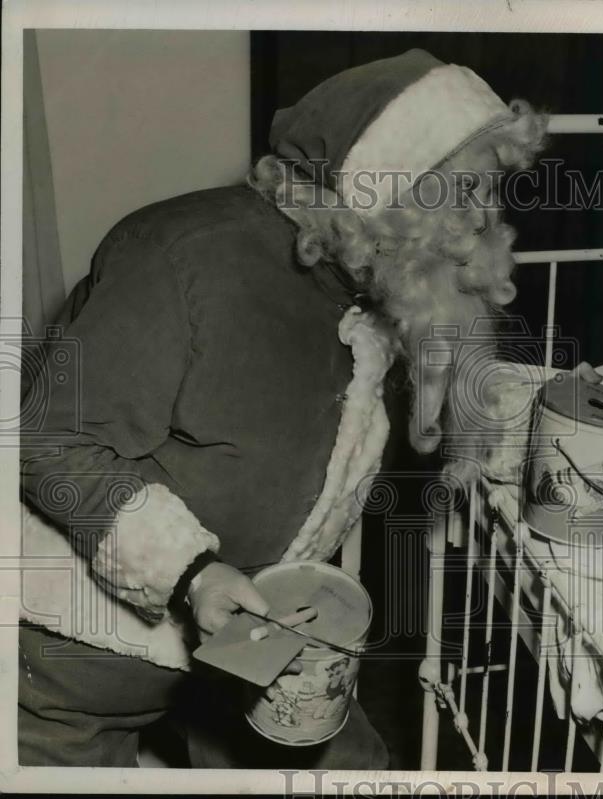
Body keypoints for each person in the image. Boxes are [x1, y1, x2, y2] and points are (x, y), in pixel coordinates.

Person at [19, 48, 546, 768]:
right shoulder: (178, 257)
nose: (485, 223)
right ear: (382, 188)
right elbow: (50, 441)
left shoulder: (381, 277)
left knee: (358, 770)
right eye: (465, 196)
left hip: (242, 640)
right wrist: (191, 575)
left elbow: (461, 373)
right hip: (70, 660)